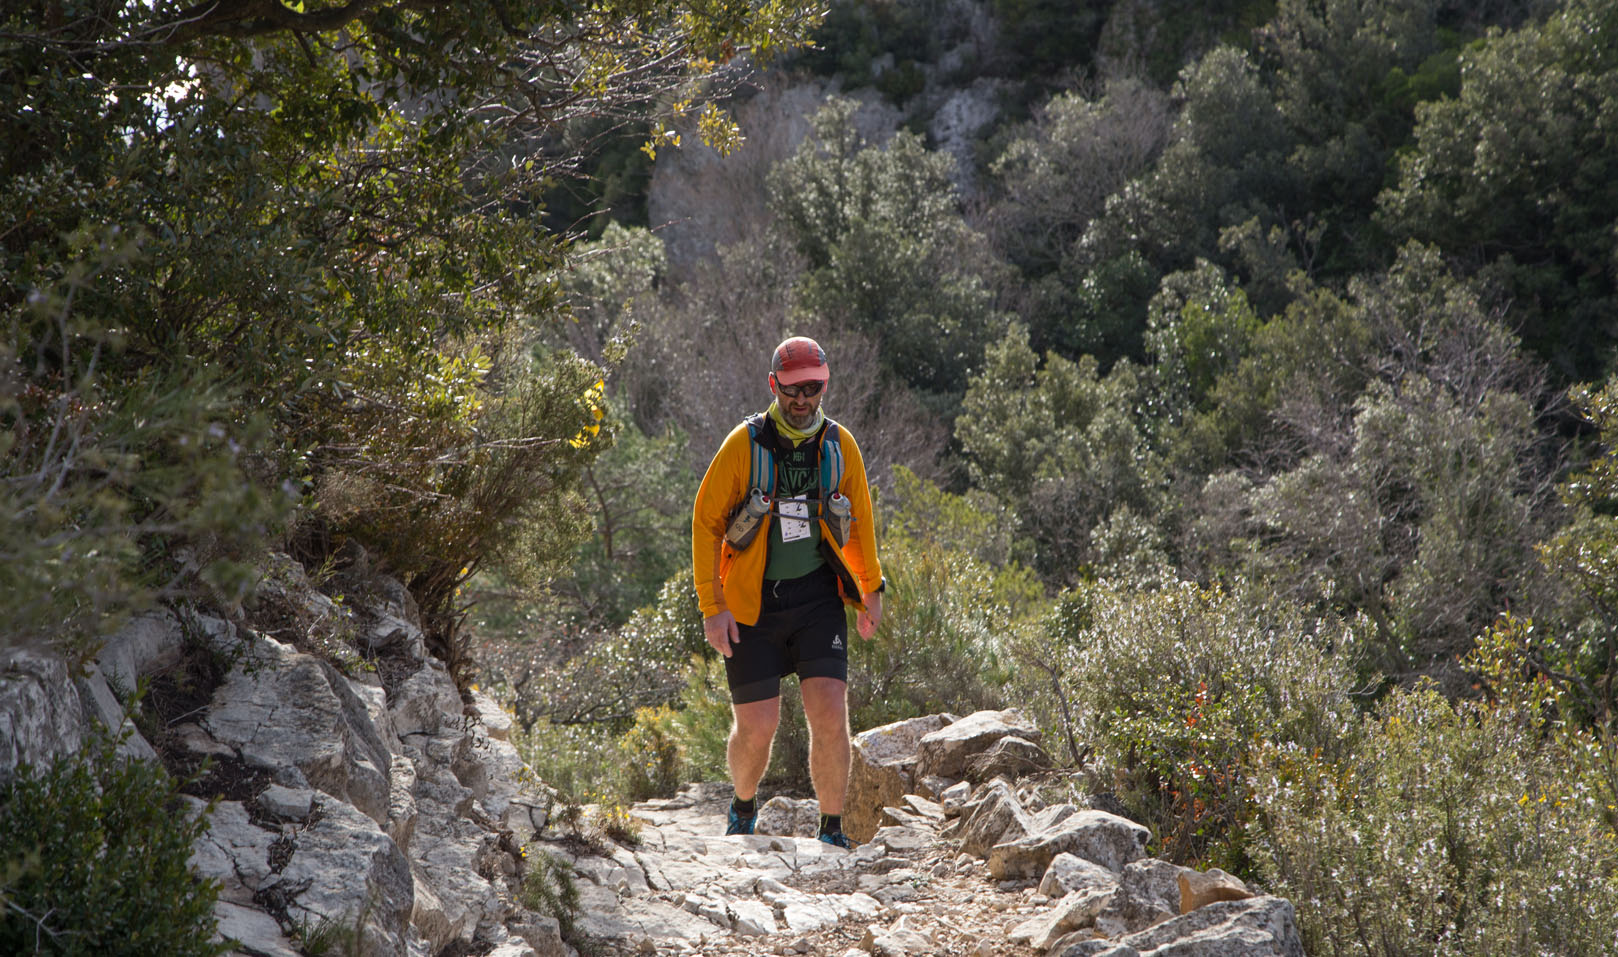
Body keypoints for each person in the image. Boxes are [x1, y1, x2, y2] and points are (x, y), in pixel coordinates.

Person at [691, 336, 885, 848]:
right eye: (792, 388)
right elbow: (706, 522)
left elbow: (860, 522)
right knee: (758, 727)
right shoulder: (744, 445)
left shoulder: (840, 446)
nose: (802, 399)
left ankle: (832, 830)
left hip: (818, 598)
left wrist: (871, 588)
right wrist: (713, 606)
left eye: (812, 388)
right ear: (773, 385)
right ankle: (742, 806)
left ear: (825, 386)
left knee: (830, 712)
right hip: (751, 604)